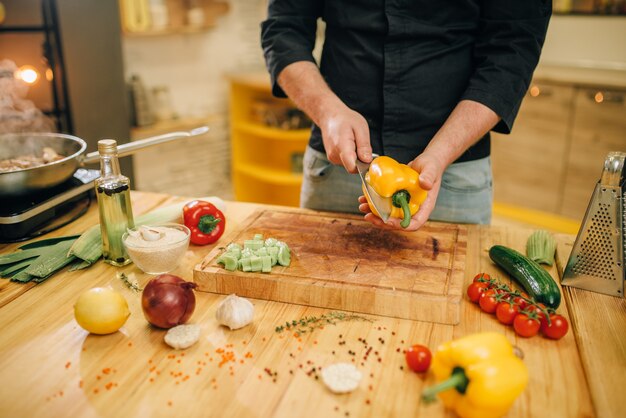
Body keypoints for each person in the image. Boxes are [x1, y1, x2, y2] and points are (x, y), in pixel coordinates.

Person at [261, 1, 551, 231]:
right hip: (338, 164)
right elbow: (283, 29)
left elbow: (513, 50)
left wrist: (440, 155)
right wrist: (327, 112)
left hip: (453, 174)